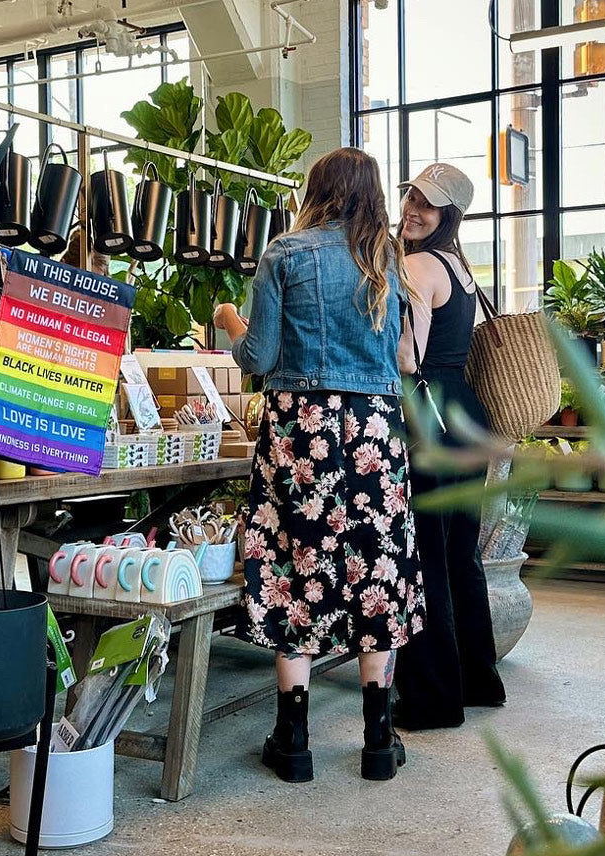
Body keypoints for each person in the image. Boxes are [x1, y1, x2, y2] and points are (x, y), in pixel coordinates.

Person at [214, 148, 425, 783]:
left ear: (317, 190)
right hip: (374, 432)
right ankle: (378, 740)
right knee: (377, 570)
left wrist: (227, 320)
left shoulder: (285, 252)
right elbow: (398, 358)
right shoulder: (387, 262)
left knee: (291, 565)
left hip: (301, 432)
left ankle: (294, 739)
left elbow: (258, 354)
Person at [393, 163, 506, 730]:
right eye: (412, 195)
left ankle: (433, 699)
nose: (414, 208)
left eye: (428, 204)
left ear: (449, 216)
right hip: (466, 414)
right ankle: (478, 678)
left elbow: (407, 358)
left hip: (428, 415)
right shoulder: (461, 268)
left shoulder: (416, 265)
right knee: (462, 552)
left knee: (425, 558)